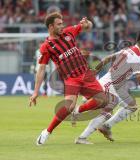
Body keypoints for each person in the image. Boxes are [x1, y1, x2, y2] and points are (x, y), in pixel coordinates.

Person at [73, 30, 140, 144]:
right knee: (106, 112)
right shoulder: (137, 57)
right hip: (111, 86)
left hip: (107, 82)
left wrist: (94, 72)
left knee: (132, 106)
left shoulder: (126, 50)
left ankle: (105, 126)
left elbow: (106, 59)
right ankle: (82, 134)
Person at [29, 12, 107, 146]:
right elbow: (41, 69)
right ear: (51, 26)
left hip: (86, 74)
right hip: (71, 79)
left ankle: (78, 110)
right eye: (59, 24)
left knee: (103, 100)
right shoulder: (46, 47)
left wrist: (87, 23)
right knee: (67, 107)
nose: (62, 26)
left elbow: (88, 26)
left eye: (62, 23)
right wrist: (36, 91)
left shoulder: (69, 32)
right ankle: (47, 132)